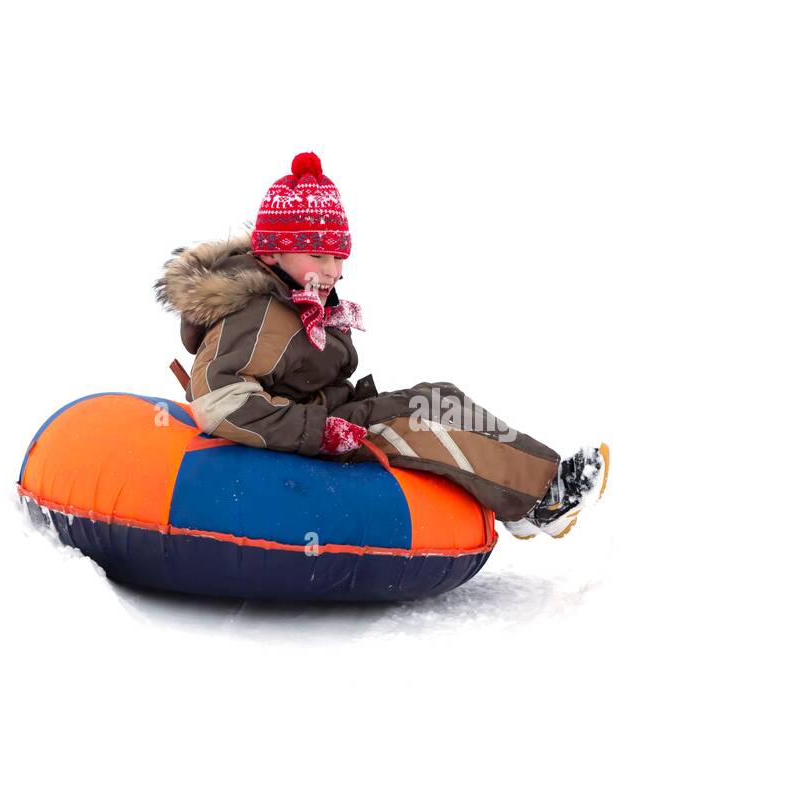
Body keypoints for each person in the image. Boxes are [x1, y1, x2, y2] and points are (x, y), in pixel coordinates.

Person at [154, 151, 608, 539]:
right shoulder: (258, 313)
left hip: (324, 412)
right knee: (414, 428)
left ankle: (525, 501)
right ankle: (545, 497)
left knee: (438, 397)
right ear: (271, 252)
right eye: (317, 254)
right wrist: (318, 430)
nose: (332, 270)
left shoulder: (295, 295)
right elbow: (220, 400)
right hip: (300, 432)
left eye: (338, 256)